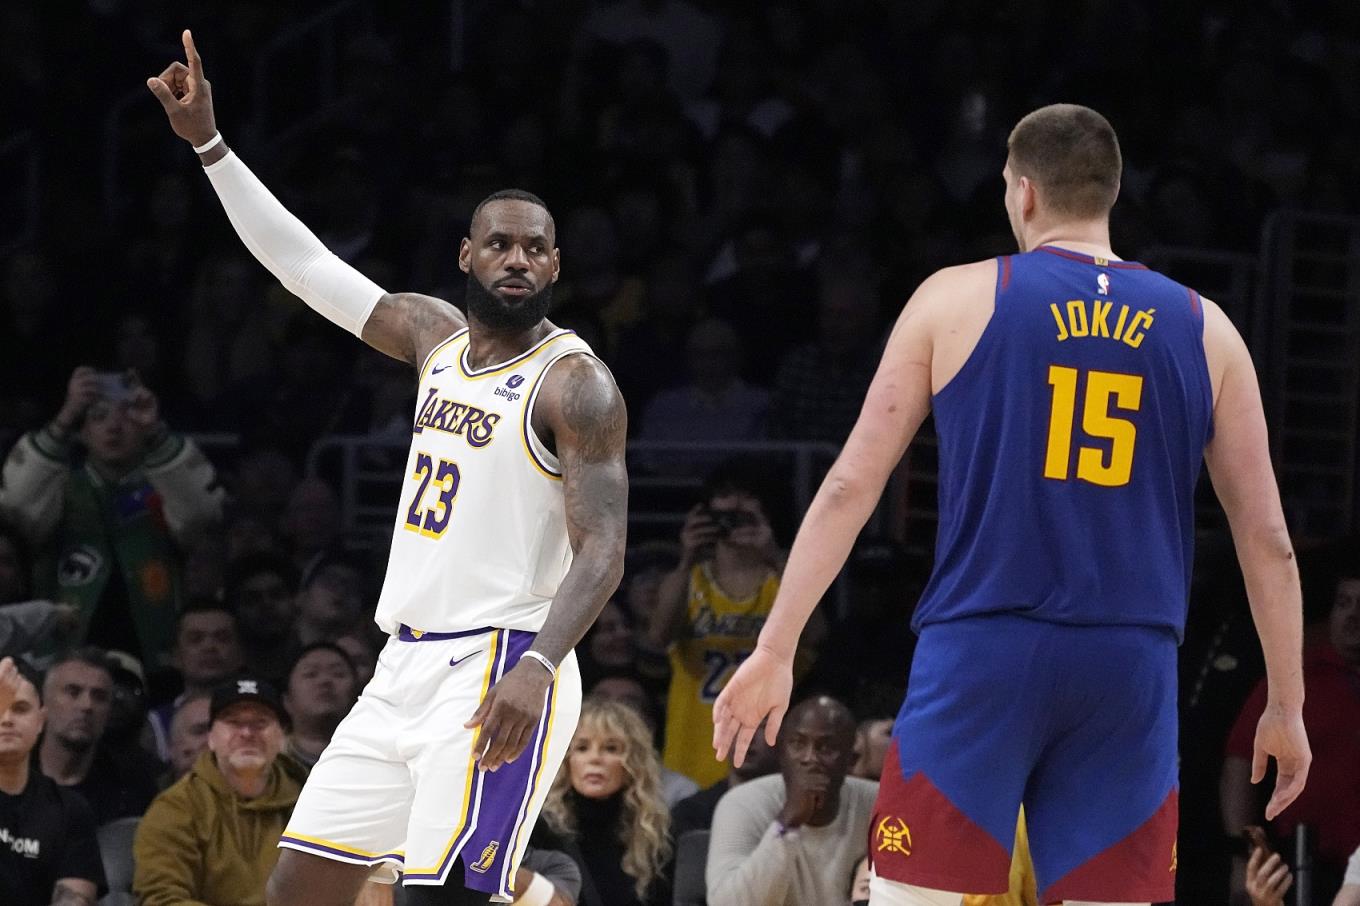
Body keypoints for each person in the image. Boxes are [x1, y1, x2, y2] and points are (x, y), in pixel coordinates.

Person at [712, 104, 1311, 906]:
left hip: (983, 649)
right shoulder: (1210, 329)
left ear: (1022, 191)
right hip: (1128, 664)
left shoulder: (954, 299)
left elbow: (852, 485)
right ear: (1112, 192)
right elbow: (1267, 538)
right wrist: (1286, 702)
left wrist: (776, 645)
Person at [149, 31, 628, 906]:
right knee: (297, 891)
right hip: (401, 665)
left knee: (437, 898)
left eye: (534, 248)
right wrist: (210, 146)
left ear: (555, 265)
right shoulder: (431, 337)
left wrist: (540, 665)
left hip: (502, 660)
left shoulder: (575, 385)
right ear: (466, 256)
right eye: (499, 244)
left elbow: (602, 550)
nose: (517, 259)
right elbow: (304, 265)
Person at [0, 366, 225, 671]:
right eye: (99, 416)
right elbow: (15, 508)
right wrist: (64, 419)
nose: (114, 426)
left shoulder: (166, 486)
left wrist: (156, 431)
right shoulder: (59, 488)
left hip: (156, 655)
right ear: (83, 432)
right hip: (63, 656)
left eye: (128, 416)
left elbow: (202, 514)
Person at [645, 463, 790, 789]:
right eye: (725, 498)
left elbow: (815, 635)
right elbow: (658, 637)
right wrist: (686, 558)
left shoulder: (781, 579)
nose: (735, 508)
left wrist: (772, 556)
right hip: (691, 747)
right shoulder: (687, 579)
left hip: (759, 749)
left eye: (746, 498)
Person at [1221, 564, 1360, 902]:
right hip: (1305, 866)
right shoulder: (1294, 680)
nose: (1353, 616)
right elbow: (1241, 762)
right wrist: (1243, 853)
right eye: (1343, 603)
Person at [133, 675, 307, 906]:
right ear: (212, 738)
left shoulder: (312, 804)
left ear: (281, 737)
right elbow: (161, 897)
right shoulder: (176, 807)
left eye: (261, 723)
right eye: (233, 722)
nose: (247, 733)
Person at [706, 695, 877, 906]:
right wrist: (787, 822)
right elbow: (726, 903)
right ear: (781, 752)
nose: (809, 758)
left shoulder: (878, 804)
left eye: (826, 748)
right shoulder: (742, 804)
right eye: (797, 744)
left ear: (851, 760)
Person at [534, 698, 673, 906]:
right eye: (582, 748)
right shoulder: (540, 830)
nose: (595, 758)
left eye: (611, 748)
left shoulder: (654, 835)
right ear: (566, 759)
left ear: (634, 762)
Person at [0, 657, 107, 906]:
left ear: (41, 721)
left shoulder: (70, 810)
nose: (6, 719)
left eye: (20, 709)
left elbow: (75, 897)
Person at [38, 648, 161, 825]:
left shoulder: (134, 785)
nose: (87, 705)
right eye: (73, 692)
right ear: (44, 701)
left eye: (99, 697)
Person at [283, 642, 361, 770]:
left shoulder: (380, 756)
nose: (325, 681)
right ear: (287, 701)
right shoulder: (269, 763)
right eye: (310, 674)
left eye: (338, 674)